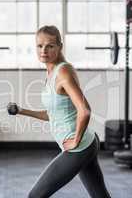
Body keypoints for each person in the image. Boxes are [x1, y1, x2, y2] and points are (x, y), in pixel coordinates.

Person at [9, 25, 111, 198]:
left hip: (80, 147)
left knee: (35, 196)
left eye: (50, 46)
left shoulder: (63, 72)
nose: (44, 50)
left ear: (60, 46)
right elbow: (54, 114)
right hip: (88, 143)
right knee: (100, 196)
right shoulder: (51, 72)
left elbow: (84, 111)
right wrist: (21, 111)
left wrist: (75, 140)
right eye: (39, 46)